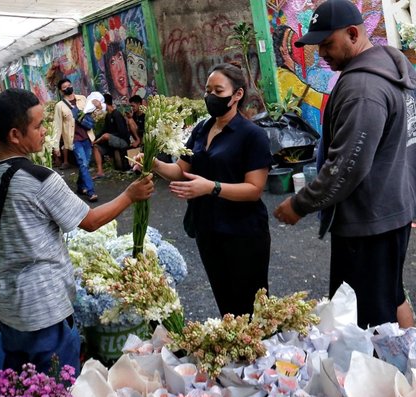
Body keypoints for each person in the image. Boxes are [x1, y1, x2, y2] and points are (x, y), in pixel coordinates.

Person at [0, 88, 154, 375]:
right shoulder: (40, 179)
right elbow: (90, 221)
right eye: (38, 125)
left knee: (24, 391)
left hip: (7, 308)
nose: (45, 132)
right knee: (59, 393)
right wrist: (130, 195)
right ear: (15, 135)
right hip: (45, 312)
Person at [274, 0, 416, 328]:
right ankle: (405, 372)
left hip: (369, 222)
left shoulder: (362, 87)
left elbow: (346, 166)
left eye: (327, 44)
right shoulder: (393, 71)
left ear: (353, 33)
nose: (321, 53)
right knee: (391, 297)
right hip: (392, 210)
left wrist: (299, 204)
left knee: (366, 320)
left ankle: (379, 378)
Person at [136, 63, 272, 317]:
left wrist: (211, 187)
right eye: (208, 90)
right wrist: (152, 162)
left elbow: (254, 189)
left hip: (243, 233)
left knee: (252, 308)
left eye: (218, 90)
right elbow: (180, 170)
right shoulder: (202, 128)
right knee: (226, 304)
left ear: (237, 94)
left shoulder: (252, 135)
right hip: (207, 230)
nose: (210, 96)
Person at [52, 78, 101, 202]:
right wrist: (56, 146)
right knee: (83, 163)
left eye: (69, 85)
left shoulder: (83, 99)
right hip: (74, 140)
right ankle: (91, 192)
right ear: (61, 91)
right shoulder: (60, 106)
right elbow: (57, 126)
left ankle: (80, 186)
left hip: (87, 136)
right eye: (65, 87)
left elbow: (92, 115)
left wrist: (97, 106)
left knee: (84, 164)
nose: (68, 88)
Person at [93, 93, 131, 176]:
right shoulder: (107, 116)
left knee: (106, 136)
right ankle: (100, 171)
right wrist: (95, 139)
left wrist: (107, 137)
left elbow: (122, 133)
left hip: (122, 141)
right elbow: (104, 130)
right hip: (110, 141)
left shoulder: (117, 114)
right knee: (96, 147)